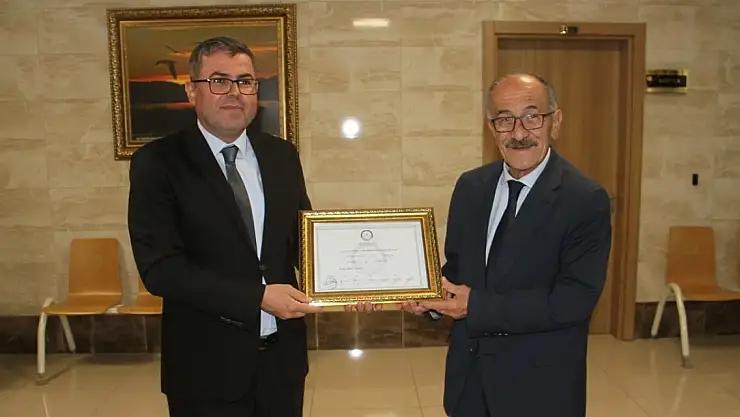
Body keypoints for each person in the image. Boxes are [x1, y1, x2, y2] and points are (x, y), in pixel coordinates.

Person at [127, 36, 323, 417]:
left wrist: (352, 285)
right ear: (191, 91)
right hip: (205, 369)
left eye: (245, 81)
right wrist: (257, 296)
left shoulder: (282, 155)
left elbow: (304, 243)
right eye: (219, 80)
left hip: (282, 365)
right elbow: (161, 269)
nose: (234, 92)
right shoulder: (158, 163)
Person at [400, 73, 613, 417]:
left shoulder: (584, 199)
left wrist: (476, 306)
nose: (518, 133)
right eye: (504, 119)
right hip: (469, 384)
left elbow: (573, 301)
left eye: (532, 117)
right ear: (491, 127)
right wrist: (429, 298)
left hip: (540, 390)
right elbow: (458, 270)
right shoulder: (471, 187)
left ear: (555, 122)